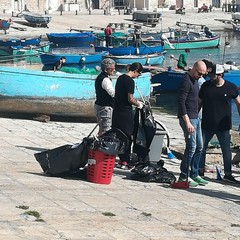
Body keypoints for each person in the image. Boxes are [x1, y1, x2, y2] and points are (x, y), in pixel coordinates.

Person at [199, 64, 240, 183]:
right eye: (210, 75)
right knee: (201, 148)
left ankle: (228, 174)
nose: (211, 77)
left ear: (220, 75)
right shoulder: (206, 86)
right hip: (207, 124)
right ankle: (200, 171)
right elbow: (199, 102)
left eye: (213, 75)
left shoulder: (230, 87)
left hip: (224, 126)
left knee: (226, 151)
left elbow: (238, 103)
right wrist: (193, 118)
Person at [177, 60, 207, 187]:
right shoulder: (186, 81)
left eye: (203, 75)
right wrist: (187, 122)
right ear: (194, 69)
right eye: (199, 73)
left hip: (196, 117)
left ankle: (194, 173)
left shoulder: (196, 80)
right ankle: (184, 175)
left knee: (200, 146)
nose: (200, 76)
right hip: (188, 119)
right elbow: (181, 102)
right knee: (191, 147)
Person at [112, 62, 144, 169]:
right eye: (138, 74)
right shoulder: (130, 81)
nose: (138, 76)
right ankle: (125, 160)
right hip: (125, 112)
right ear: (135, 71)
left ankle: (121, 158)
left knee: (118, 135)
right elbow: (130, 98)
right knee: (127, 137)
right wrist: (138, 103)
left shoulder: (120, 78)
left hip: (117, 111)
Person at [94, 58, 116, 136]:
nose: (114, 70)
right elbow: (113, 93)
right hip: (105, 107)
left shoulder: (100, 77)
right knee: (106, 130)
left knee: (101, 129)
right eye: (112, 69)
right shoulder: (105, 80)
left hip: (99, 105)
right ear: (106, 70)